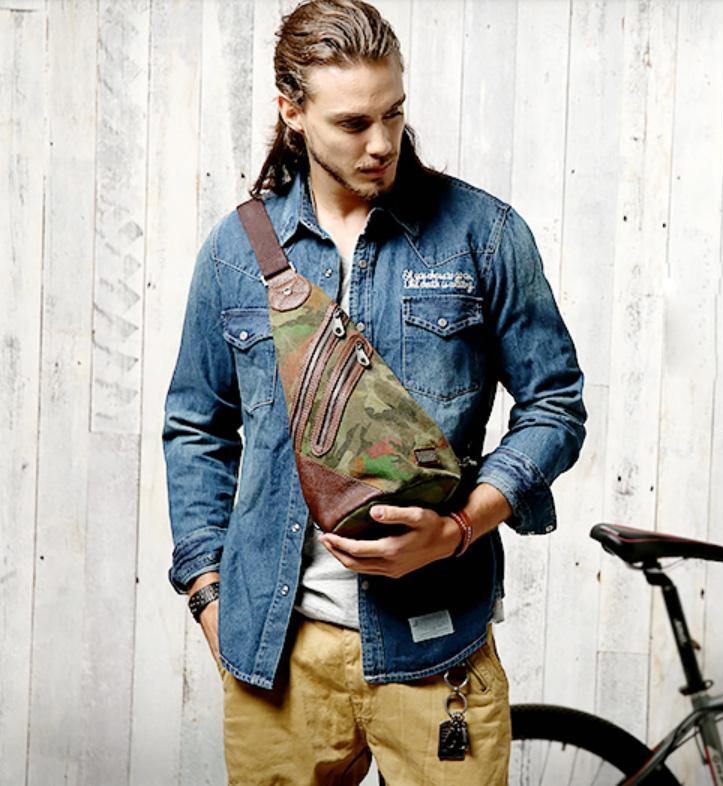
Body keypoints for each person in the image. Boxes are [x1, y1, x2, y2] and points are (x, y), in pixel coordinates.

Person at [163, 1, 586, 783]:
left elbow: (555, 405)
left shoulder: (483, 234)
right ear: (292, 112)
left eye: (394, 112)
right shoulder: (234, 252)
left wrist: (458, 527)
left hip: (436, 646)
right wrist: (208, 592)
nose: (382, 142)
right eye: (354, 122)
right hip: (278, 655)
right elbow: (196, 425)